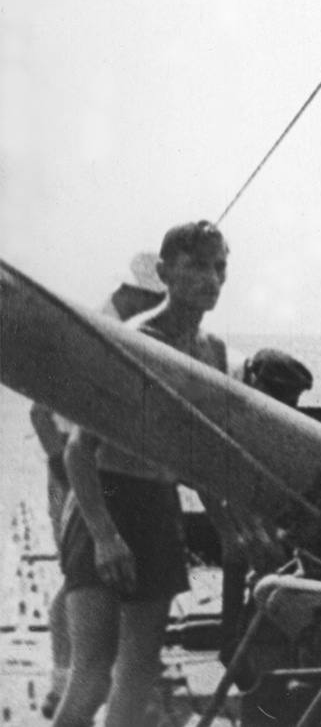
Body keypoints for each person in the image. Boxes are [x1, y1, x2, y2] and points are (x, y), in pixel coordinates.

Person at [54, 221, 230, 727]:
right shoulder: (134, 342)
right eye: (197, 265)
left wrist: (228, 524)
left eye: (219, 267)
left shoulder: (212, 351)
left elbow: (203, 455)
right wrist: (105, 536)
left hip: (158, 503)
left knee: (140, 669)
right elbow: (77, 451)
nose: (211, 279)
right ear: (164, 272)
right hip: (105, 496)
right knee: (93, 670)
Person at [33, 251, 166, 718]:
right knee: (77, 582)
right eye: (151, 296)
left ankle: (71, 677)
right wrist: (64, 478)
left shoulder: (135, 333)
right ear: (130, 292)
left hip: (98, 470)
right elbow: (40, 413)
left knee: (85, 585)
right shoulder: (94, 333)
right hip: (76, 469)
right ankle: (60, 678)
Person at [215, 349, 313, 670]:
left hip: (228, 469)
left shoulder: (251, 391)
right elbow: (207, 472)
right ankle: (234, 645)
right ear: (258, 382)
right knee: (242, 549)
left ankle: (234, 642)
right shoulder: (223, 390)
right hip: (174, 461)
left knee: (252, 549)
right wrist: (231, 530)